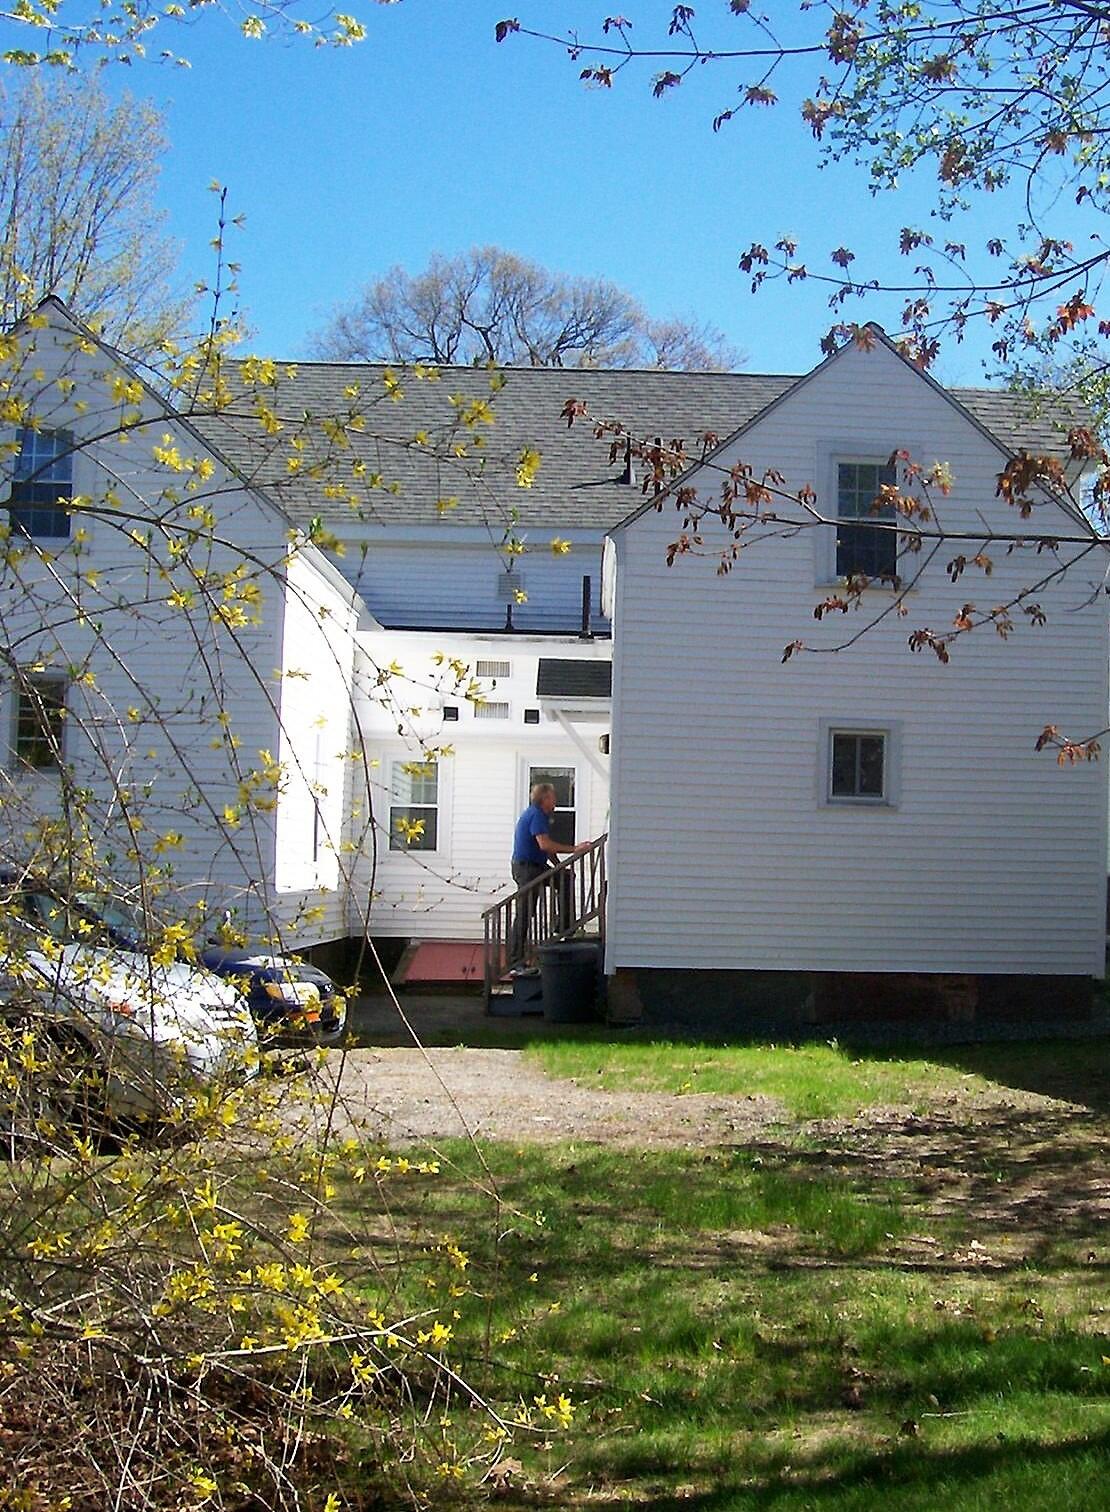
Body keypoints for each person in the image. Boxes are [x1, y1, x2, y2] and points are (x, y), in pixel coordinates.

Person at [509, 782, 590, 967]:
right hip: (526, 868)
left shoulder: (541, 816)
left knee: (565, 878)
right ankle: (515, 960)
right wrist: (575, 849)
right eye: (553, 797)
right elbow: (545, 845)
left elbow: (547, 848)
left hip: (535, 865)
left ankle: (563, 925)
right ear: (544, 798)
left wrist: (558, 867)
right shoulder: (536, 814)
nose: (555, 800)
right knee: (525, 913)